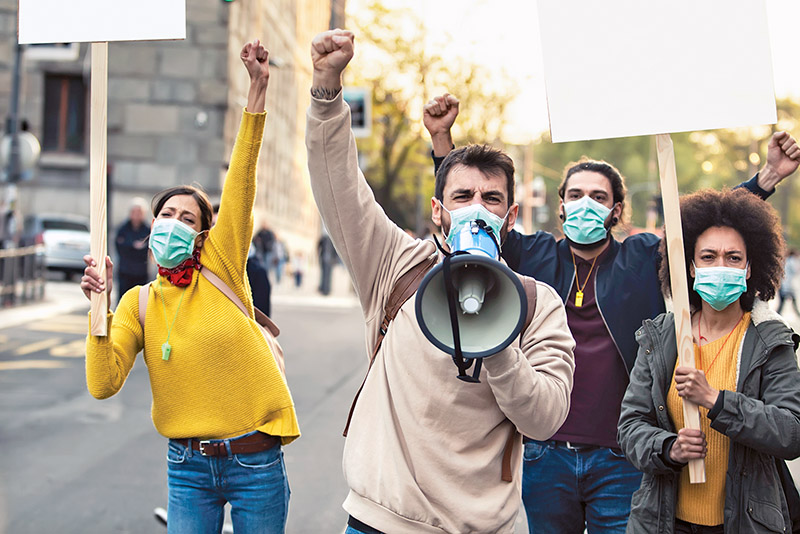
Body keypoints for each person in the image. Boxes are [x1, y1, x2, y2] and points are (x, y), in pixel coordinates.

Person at [423, 93, 800, 533]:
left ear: (616, 210)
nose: (586, 203)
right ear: (561, 206)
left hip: (621, 458)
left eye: (598, 197)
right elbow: (469, 214)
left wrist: (769, 175)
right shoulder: (529, 253)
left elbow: (702, 227)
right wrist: (441, 140)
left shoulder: (642, 257)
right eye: (576, 195)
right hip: (544, 452)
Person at [307, 29, 576, 534]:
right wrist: (326, 93)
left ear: (511, 215)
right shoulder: (396, 265)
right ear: (439, 211)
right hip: (378, 521)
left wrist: (497, 339)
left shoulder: (538, 304)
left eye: (491, 199)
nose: (477, 208)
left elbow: (545, 418)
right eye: (463, 196)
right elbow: (338, 187)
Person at [80, 39, 298, 534]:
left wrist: (257, 89)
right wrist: (99, 308)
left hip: (254, 463)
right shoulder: (139, 303)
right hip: (187, 469)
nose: (171, 223)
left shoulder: (220, 264)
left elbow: (242, 176)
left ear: (202, 234)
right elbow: (102, 384)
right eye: (165, 215)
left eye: (186, 217)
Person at [617, 187, 800, 533]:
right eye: (708, 256)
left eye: (733, 258)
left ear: (749, 269)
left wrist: (716, 401)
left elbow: (791, 432)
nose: (720, 266)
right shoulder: (661, 336)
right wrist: (669, 448)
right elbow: (630, 428)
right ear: (689, 266)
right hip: (665, 521)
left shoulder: (769, 340)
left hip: (745, 523)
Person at [114, 197, 151, 302]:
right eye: (134, 212)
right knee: (123, 299)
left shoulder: (148, 229)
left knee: (140, 301)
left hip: (141, 272)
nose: (137, 214)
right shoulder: (123, 228)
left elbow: (149, 247)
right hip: (125, 271)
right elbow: (119, 246)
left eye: (140, 212)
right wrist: (133, 246)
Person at [778, 248, 800, 317]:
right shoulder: (791, 261)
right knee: (788, 303)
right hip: (788, 286)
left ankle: (778, 314)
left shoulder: (786, 261)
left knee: (782, 304)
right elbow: (795, 270)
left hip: (784, 285)